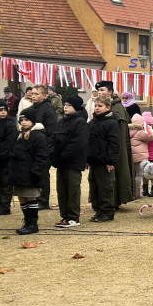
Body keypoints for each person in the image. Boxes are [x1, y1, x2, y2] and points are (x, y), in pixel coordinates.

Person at [9, 111, 50, 235]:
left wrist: (35, 172)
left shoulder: (38, 136)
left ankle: (33, 224)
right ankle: (27, 221)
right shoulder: (20, 135)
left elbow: (42, 156)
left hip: (31, 174)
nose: (23, 122)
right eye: (21, 120)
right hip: (20, 173)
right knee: (22, 197)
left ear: (33, 121)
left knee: (30, 198)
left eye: (26, 120)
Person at [52, 95, 89, 228]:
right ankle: (65, 216)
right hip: (61, 162)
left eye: (69, 105)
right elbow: (54, 139)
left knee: (73, 189)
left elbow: (78, 144)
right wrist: (54, 156)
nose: (65, 107)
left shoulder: (80, 123)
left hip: (73, 163)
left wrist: (63, 156)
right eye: (65, 105)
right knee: (62, 190)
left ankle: (73, 217)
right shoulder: (62, 121)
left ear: (76, 107)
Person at [86, 95, 122, 222]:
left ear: (108, 107)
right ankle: (98, 210)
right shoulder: (92, 123)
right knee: (94, 187)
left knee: (105, 187)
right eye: (95, 106)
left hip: (105, 161)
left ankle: (107, 212)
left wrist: (110, 160)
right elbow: (88, 142)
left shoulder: (111, 123)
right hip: (94, 160)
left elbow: (114, 144)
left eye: (100, 106)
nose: (97, 108)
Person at [28, 85, 57, 210]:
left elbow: (51, 130)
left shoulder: (47, 109)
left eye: (37, 94)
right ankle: (35, 197)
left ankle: (43, 200)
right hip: (32, 145)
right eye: (32, 93)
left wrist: (47, 146)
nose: (33, 96)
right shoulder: (32, 108)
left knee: (43, 172)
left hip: (44, 146)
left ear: (44, 96)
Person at [0, 100, 17, 215]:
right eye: (0, 110)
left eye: (5, 110)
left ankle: (5, 205)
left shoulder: (9, 124)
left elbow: (10, 142)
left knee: (6, 183)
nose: (3, 113)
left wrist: (2, 154)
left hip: (5, 159)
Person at [129, 112, 153, 198]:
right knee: (139, 175)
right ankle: (137, 193)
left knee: (133, 175)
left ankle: (132, 192)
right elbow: (150, 136)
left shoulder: (129, 131)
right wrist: (149, 128)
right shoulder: (140, 132)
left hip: (132, 156)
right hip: (140, 157)